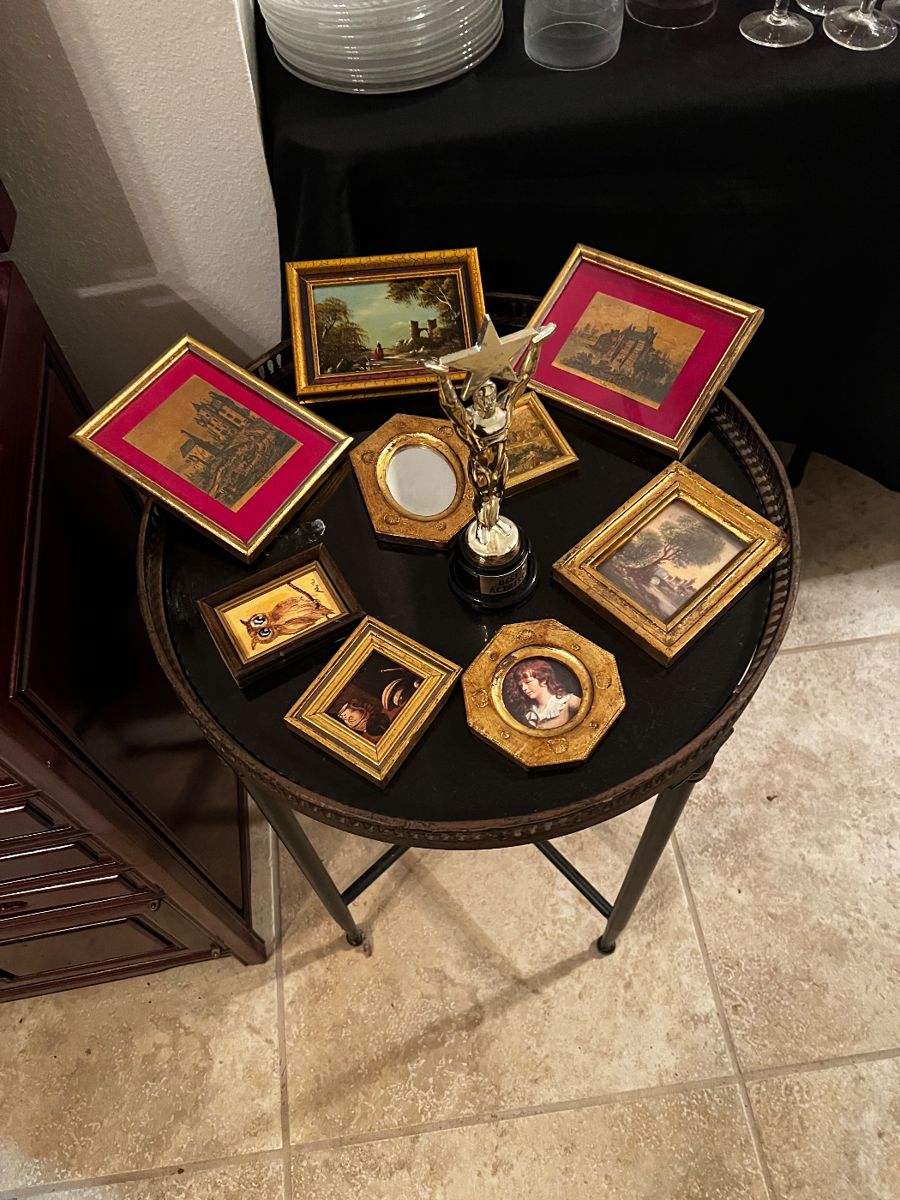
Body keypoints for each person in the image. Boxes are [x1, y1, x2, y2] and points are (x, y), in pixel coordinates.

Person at [507, 658, 580, 730]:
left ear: (544, 680)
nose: (524, 688)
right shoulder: (531, 712)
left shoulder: (566, 701)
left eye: (528, 682)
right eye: (521, 685)